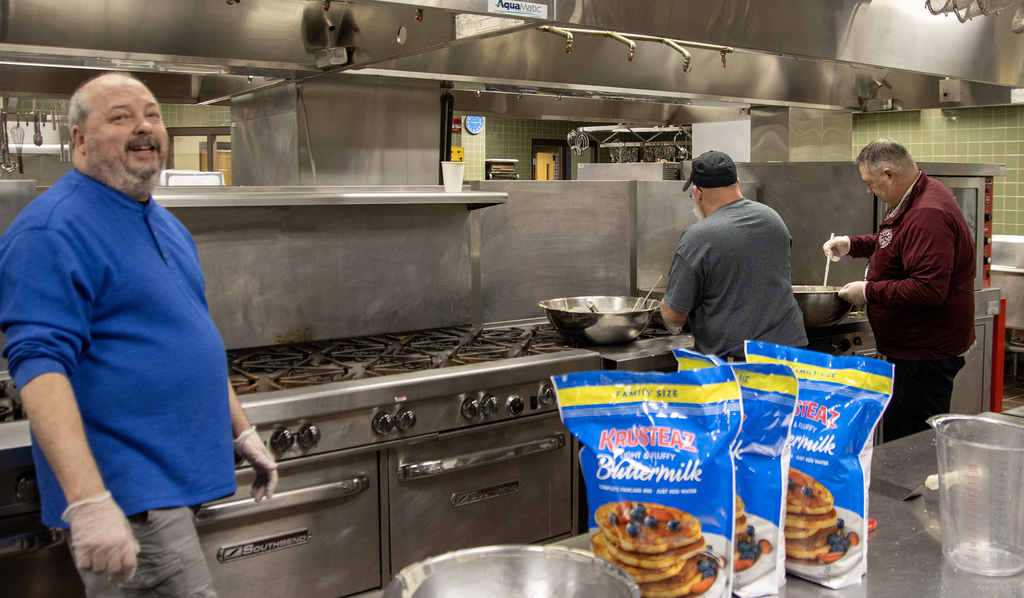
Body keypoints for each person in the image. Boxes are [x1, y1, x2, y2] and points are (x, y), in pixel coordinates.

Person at [0, 72, 278, 596]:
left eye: (152, 114)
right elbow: (38, 368)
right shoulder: (52, 229)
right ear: (79, 140)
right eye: (120, 117)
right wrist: (87, 503)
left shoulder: (160, 220)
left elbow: (187, 333)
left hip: (173, 484)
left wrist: (239, 430)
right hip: (129, 498)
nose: (144, 127)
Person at [823, 137, 975, 441]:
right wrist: (852, 245)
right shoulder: (916, 196)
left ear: (889, 174)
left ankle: (920, 490)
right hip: (911, 352)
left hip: (924, 357)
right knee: (901, 438)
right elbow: (896, 243)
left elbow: (928, 290)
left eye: (870, 182)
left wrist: (868, 292)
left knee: (913, 445)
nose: (868, 190)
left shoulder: (928, 213)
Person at [660, 150, 807, 360]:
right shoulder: (773, 219)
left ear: (698, 192)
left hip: (740, 364)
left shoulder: (698, 237)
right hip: (792, 354)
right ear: (737, 182)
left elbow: (674, 316)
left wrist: (667, 310)